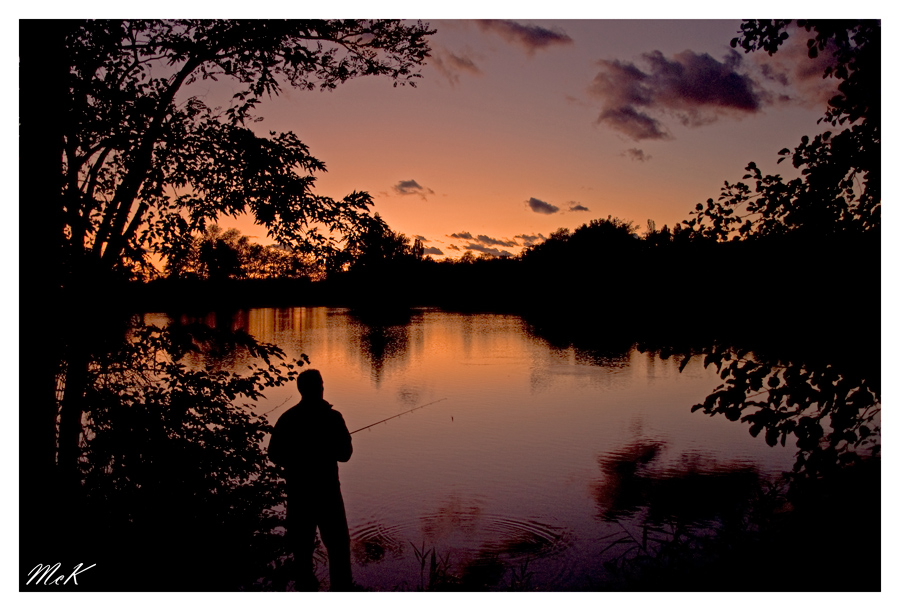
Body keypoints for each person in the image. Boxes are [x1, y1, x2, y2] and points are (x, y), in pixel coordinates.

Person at [268, 369, 353, 591]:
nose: (323, 388)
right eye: (321, 384)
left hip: (299, 496)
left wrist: (296, 455)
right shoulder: (333, 418)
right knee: (339, 551)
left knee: (302, 554)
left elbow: (274, 455)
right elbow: (345, 454)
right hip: (328, 496)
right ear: (318, 388)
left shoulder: (288, 418)